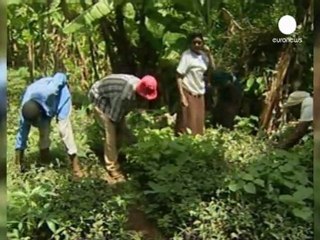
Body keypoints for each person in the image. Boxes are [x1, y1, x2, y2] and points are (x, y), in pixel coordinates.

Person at [88, 74, 158, 184]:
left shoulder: (140, 84)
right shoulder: (123, 96)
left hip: (112, 97)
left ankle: (118, 155)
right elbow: (113, 119)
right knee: (110, 133)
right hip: (99, 97)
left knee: (122, 130)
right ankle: (112, 167)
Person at [15, 72, 84, 177]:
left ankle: (76, 166)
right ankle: (45, 161)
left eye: (35, 122)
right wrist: (18, 163)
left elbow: (60, 75)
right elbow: (21, 135)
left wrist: (66, 80)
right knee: (44, 132)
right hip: (43, 108)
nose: (33, 125)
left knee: (64, 130)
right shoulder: (25, 113)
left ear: (39, 114)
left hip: (61, 99)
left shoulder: (50, 90)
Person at [175, 32, 215, 136]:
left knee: (198, 121)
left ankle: (197, 145)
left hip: (199, 91)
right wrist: (182, 96)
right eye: (194, 43)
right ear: (190, 44)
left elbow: (212, 69)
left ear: (202, 44)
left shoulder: (203, 56)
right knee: (188, 121)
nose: (197, 45)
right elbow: (179, 76)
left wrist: (209, 54)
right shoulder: (187, 55)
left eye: (199, 42)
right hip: (188, 90)